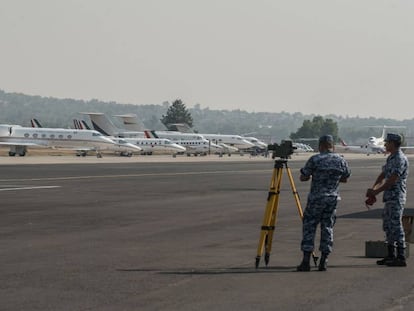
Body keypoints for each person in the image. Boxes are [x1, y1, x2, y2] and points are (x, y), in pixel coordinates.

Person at [297, 135, 351, 271]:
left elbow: (304, 177)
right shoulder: (341, 160)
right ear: (332, 146)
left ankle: (306, 261)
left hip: (316, 198)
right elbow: (345, 178)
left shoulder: (315, 159)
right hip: (332, 199)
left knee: (310, 227)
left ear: (321, 145)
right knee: (327, 227)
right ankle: (324, 260)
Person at [366, 133, 409, 267]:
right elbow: (383, 175)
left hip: (396, 197)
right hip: (389, 198)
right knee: (388, 226)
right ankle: (390, 255)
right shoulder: (391, 158)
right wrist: (373, 189)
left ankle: (401, 256)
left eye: (387, 142)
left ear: (393, 143)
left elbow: (392, 180)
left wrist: (376, 192)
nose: (385, 144)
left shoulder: (400, 159)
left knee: (396, 225)